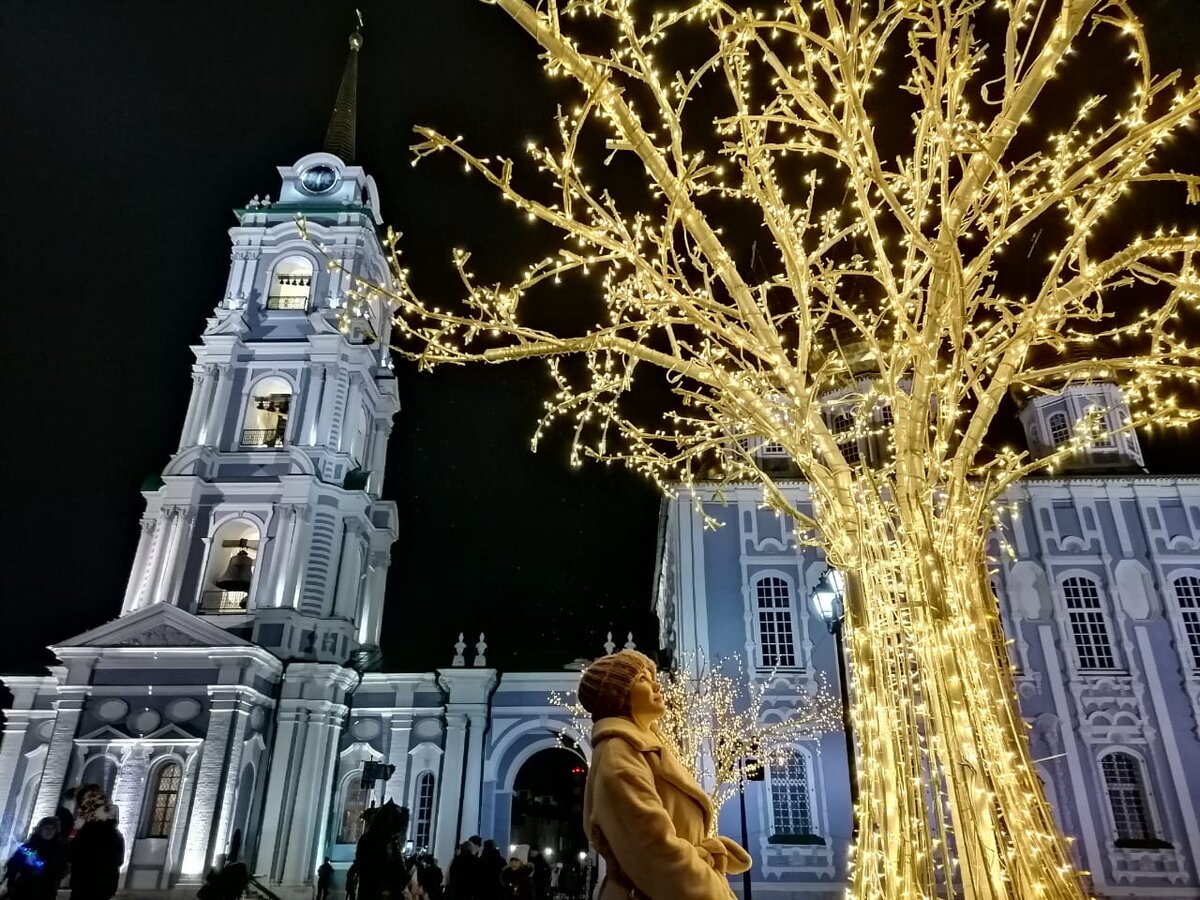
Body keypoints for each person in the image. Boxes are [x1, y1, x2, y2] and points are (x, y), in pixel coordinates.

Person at [579, 650, 750, 900]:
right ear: (619, 695)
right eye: (643, 679)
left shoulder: (645, 748)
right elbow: (656, 853)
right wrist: (714, 888)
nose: (657, 685)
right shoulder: (619, 754)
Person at [67, 788, 124, 900]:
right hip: (101, 886)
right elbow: (118, 860)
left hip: (85, 884)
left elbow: (73, 855)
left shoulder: (88, 831)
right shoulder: (113, 833)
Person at [2, 818, 67, 900]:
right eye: (46, 828)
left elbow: (62, 869)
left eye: (53, 829)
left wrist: (49, 872)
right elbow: (13, 865)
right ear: (40, 829)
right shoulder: (29, 847)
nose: (49, 831)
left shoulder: (58, 850)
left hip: (45, 891)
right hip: (23, 889)